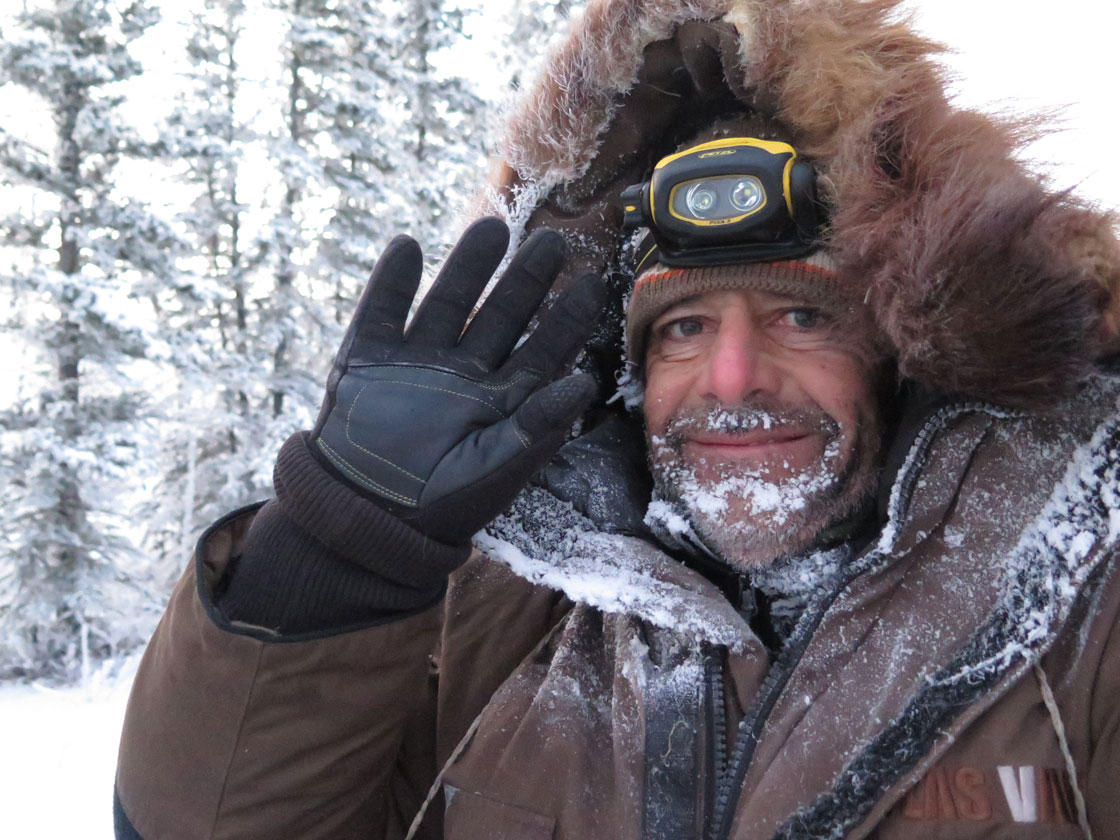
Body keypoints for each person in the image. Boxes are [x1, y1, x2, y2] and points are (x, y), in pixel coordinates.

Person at [114, 0, 1120, 837]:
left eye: (802, 314)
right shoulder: (503, 613)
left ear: (902, 352)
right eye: (682, 327)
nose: (730, 379)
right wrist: (336, 555)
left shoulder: (1076, 588)